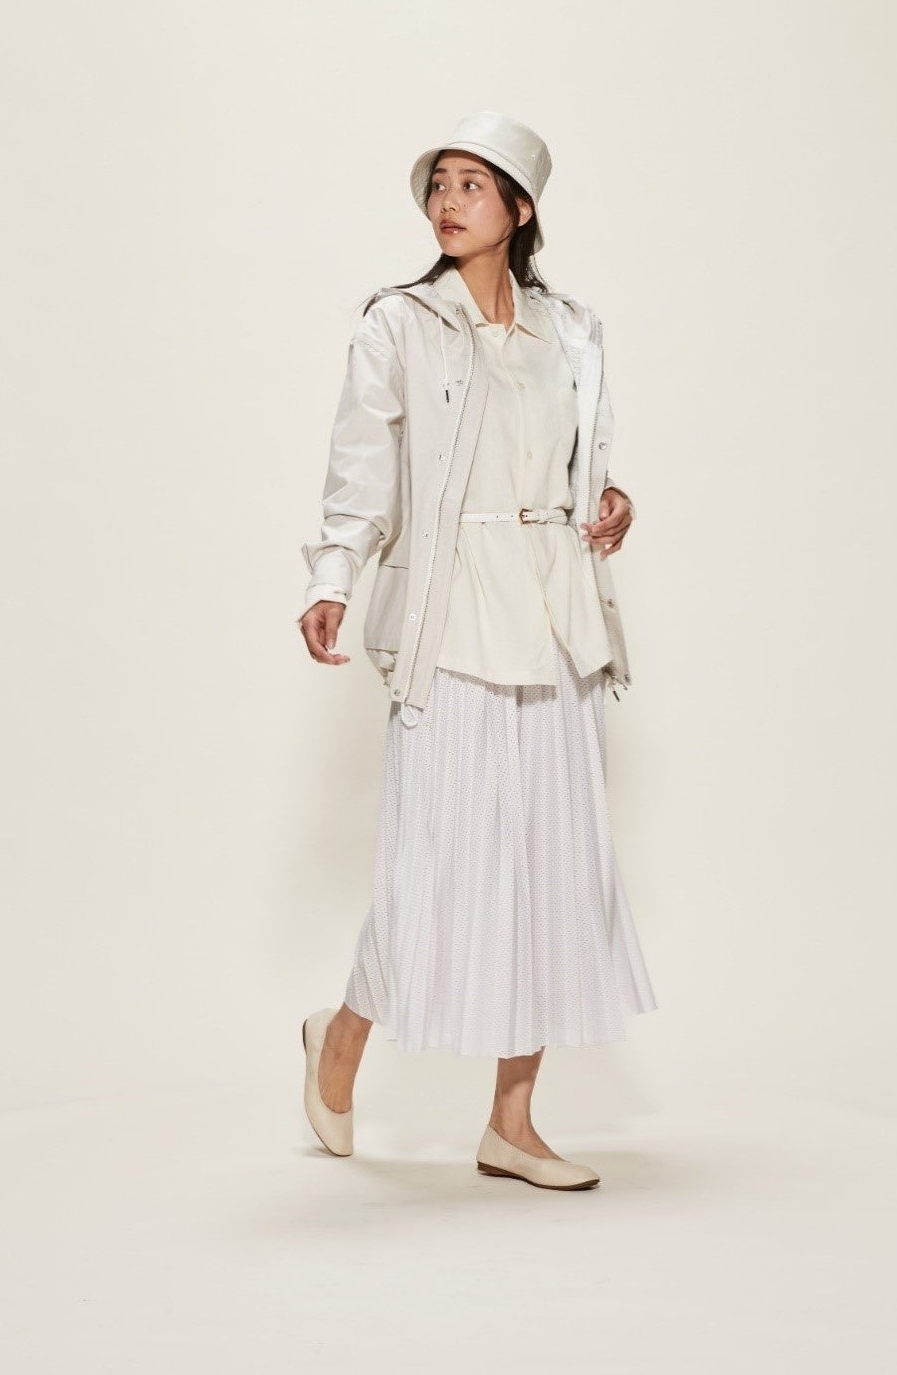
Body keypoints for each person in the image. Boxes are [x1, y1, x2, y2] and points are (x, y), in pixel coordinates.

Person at [294, 111, 657, 1191]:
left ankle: (511, 1123)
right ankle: (340, 1037)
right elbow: (360, 464)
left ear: (521, 208)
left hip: (555, 621)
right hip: (450, 620)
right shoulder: (399, 325)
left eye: (471, 185)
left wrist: (610, 501)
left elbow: (581, 464)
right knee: (431, 866)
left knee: (550, 871)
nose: (447, 203)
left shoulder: (572, 330)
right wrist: (332, 577)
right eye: (438, 184)